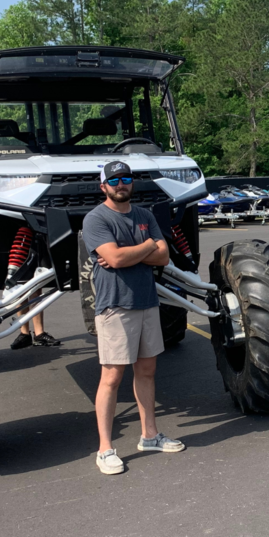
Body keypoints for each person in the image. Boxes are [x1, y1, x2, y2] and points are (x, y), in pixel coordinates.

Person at [82, 161, 185, 475]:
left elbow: (164, 256)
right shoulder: (96, 218)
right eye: (114, 180)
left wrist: (128, 253)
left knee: (147, 371)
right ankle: (104, 449)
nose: (120, 184)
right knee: (112, 377)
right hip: (116, 305)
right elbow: (113, 258)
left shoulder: (145, 215)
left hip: (146, 302)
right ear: (104, 186)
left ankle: (150, 435)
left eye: (126, 178)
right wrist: (145, 248)